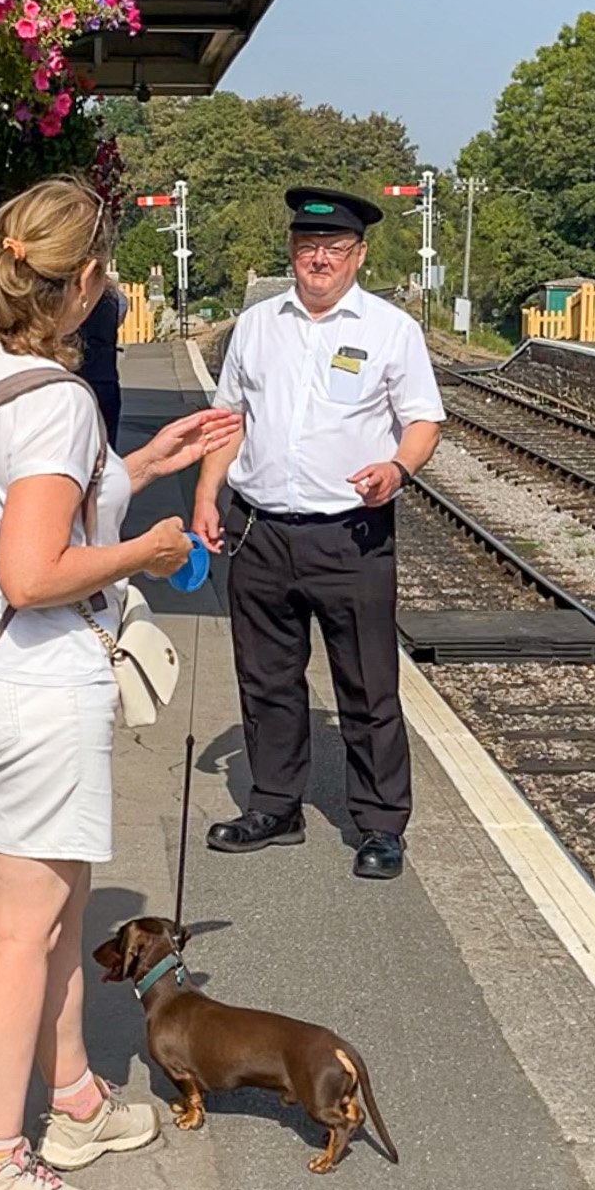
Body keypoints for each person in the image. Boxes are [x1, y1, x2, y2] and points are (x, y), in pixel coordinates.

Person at [0, 176, 239, 1190]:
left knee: (56, 910)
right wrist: (150, 546)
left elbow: (17, 506)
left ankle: (72, 1101)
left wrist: (143, 463)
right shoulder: (57, 399)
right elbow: (30, 568)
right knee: (20, 933)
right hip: (32, 681)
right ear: (87, 281)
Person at [192, 186, 445, 882]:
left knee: (366, 685)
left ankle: (380, 825)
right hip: (260, 530)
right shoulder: (257, 325)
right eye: (307, 248)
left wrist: (397, 467)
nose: (319, 260)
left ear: (358, 255)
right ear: (292, 252)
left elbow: (423, 419)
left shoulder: (390, 329)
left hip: (349, 536)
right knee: (266, 678)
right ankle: (274, 805)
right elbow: (229, 416)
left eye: (333, 249)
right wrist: (206, 496)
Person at [76, 277, 127, 444]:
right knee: (107, 445)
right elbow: (120, 314)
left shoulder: (66, 293)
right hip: (105, 375)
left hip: (74, 375)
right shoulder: (114, 296)